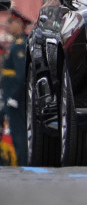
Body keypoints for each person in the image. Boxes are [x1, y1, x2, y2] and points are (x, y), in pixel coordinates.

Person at [1, 8, 31, 166]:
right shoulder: (15, 44)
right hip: (11, 96)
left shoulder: (20, 46)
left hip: (16, 99)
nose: (8, 26)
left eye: (11, 22)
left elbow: (21, 76)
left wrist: (13, 97)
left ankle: (22, 164)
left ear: (19, 24)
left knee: (19, 133)